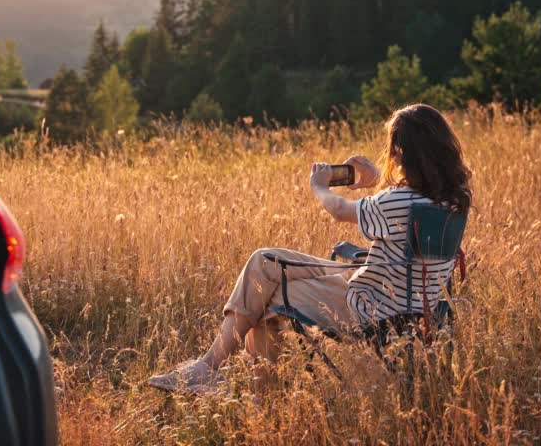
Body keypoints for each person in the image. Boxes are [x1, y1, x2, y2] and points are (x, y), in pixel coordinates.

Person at [147, 103, 473, 393]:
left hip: (369, 307)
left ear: (402, 153)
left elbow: (340, 210)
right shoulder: (455, 200)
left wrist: (319, 186)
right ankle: (216, 371)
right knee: (264, 261)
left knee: (266, 293)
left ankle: (243, 387)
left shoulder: (399, 201)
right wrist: (374, 184)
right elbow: (400, 214)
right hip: (413, 308)